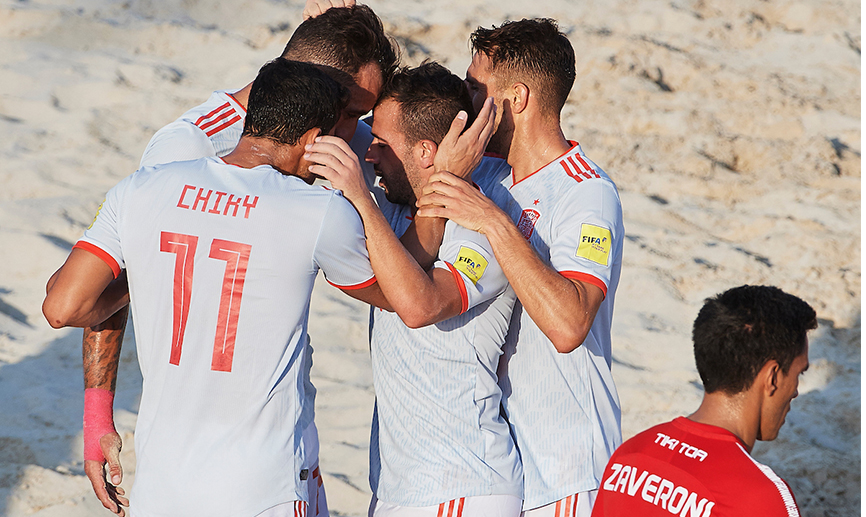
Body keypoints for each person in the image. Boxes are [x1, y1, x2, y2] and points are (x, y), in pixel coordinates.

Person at [76, 4, 399, 515]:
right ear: (310, 89)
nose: (357, 135)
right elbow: (115, 277)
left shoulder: (330, 135)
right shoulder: (185, 148)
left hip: (289, 441)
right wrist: (97, 418)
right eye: (352, 112)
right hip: (233, 465)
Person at [416, 19, 624, 516]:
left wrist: (490, 219)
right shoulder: (485, 171)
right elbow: (390, 139)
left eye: (473, 88)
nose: (462, 104)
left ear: (518, 98)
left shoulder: (585, 193)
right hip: (499, 472)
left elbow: (569, 324)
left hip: (567, 473)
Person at [305, 62, 522, 515]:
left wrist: (362, 200)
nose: (369, 154)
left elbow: (418, 305)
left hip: (461, 486)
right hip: (398, 489)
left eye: (380, 144)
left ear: (425, 152)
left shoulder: (483, 219)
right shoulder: (401, 199)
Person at [591, 285, 816, 516]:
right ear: (773, 377)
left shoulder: (629, 455)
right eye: (799, 374)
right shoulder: (758, 497)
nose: (796, 391)